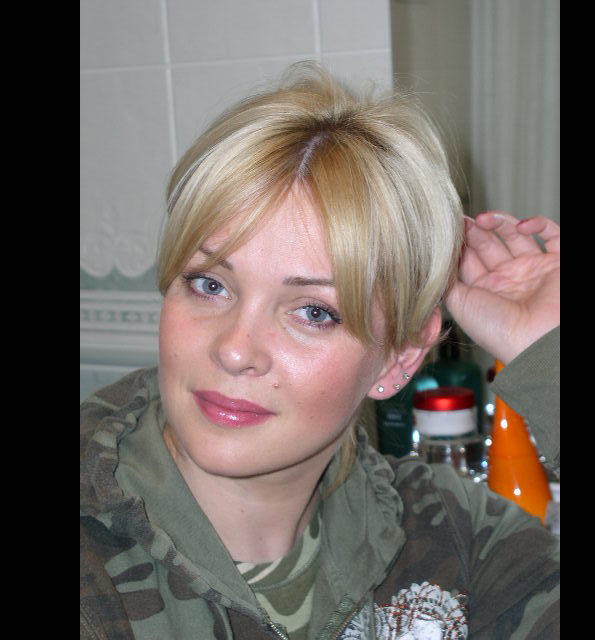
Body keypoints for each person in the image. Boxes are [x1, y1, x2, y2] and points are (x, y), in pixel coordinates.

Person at [80, 62, 559, 639]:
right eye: (209, 284)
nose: (235, 350)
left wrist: (552, 355)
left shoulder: (456, 543)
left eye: (312, 312)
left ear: (399, 360)